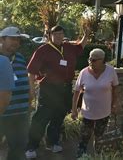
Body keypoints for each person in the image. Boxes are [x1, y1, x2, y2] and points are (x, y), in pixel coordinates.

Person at [25, 25, 89, 159]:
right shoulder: (43, 50)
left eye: (61, 33)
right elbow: (31, 72)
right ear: (50, 36)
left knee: (58, 117)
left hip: (65, 88)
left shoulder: (68, 47)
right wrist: (31, 90)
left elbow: (81, 46)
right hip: (48, 89)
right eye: (56, 34)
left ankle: (52, 142)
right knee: (41, 117)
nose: (59, 36)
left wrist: (86, 34)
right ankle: (31, 146)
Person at [72, 48, 119, 158]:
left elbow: (116, 89)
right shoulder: (84, 72)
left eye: (94, 60)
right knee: (84, 137)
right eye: (89, 59)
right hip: (87, 112)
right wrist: (74, 109)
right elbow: (76, 92)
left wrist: (115, 104)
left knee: (99, 137)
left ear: (102, 60)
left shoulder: (110, 71)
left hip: (104, 112)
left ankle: (98, 155)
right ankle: (81, 156)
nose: (90, 62)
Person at [0, 27, 32, 160]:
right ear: (2, 39)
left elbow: (25, 80)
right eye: (12, 39)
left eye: (18, 40)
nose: (16, 42)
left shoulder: (19, 57)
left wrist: (29, 101)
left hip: (20, 116)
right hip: (1, 115)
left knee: (18, 150)